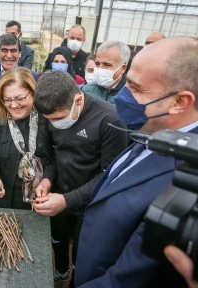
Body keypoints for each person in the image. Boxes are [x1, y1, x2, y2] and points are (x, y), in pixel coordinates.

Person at [74, 37, 198, 287]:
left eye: (136, 88)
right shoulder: (153, 127)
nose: (124, 97)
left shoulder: (188, 177)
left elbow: (129, 278)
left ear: (179, 102)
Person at [33, 70, 127, 285]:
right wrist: (47, 179)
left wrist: (67, 200)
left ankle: (76, 278)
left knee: (83, 253)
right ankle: (61, 270)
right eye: (49, 120)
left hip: (91, 203)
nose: (54, 124)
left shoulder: (111, 120)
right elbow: (52, 154)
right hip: (59, 192)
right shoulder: (48, 111)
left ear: (78, 99)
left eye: (59, 118)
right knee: (58, 237)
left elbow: (109, 175)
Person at [0, 68, 55, 209]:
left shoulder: (47, 120)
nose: (14, 105)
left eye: (20, 98)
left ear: (33, 93)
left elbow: (55, 159)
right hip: (5, 198)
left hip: (41, 198)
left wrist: (46, 181)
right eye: (7, 100)